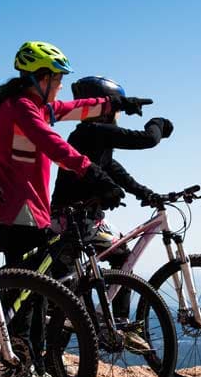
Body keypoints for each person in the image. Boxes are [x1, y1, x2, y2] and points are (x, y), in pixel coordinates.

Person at [0, 42, 148, 377]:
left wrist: (116, 103)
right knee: (29, 294)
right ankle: (19, 367)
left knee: (41, 293)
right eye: (57, 78)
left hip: (32, 210)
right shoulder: (21, 109)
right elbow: (53, 145)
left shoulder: (37, 106)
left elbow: (72, 108)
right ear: (41, 78)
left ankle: (37, 364)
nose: (60, 85)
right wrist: (92, 172)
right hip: (17, 211)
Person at [51, 74, 173, 270]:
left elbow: (114, 170)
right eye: (117, 110)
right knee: (121, 263)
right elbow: (147, 139)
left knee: (119, 259)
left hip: (77, 219)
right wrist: (158, 123)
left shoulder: (88, 136)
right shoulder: (93, 132)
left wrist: (144, 193)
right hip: (76, 222)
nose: (118, 115)